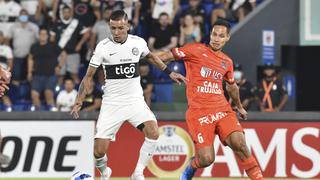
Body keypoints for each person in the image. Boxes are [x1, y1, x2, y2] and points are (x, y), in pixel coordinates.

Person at [70, 10, 185, 180]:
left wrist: (169, 73)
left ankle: (138, 173)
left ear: (128, 26)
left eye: (120, 28)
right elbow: (88, 76)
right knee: (98, 151)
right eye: (113, 28)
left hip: (135, 101)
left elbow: (152, 58)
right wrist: (79, 100)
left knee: (153, 132)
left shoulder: (138, 43)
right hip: (112, 103)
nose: (116, 32)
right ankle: (104, 172)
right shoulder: (103, 47)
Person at [157, 19, 264, 180]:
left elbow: (232, 87)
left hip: (222, 109)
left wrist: (239, 107)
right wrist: (166, 70)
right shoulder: (194, 49)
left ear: (227, 38)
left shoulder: (227, 62)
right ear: (210, 34)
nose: (216, 38)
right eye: (214, 34)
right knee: (206, 159)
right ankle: (191, 167)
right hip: (199, 113)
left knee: (240, 144)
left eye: (221, 36)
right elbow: (164, 57)